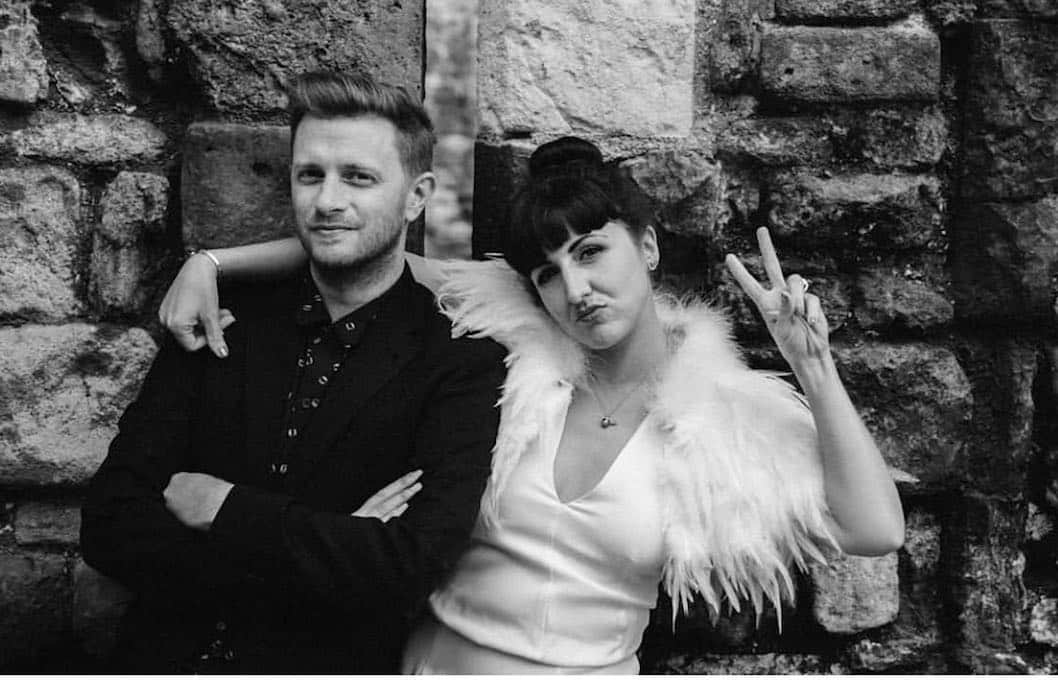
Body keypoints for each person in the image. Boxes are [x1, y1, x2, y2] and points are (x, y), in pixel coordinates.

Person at [158, 136, 905, 674]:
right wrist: (211, 264)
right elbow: (372, 252)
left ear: (645, 248)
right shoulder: (517, 355)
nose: (575, 291)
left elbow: (875, 529)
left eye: (590, 253)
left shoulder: (723, 415)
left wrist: (814, 367)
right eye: (548, 273)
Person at [79, 71, 506, 674]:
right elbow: (110, 523)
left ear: (417, 195)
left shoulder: (459, 357)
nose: (327, 201)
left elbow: (408, 568)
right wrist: (330, 544)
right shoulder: (223, 318)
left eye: (358, 177)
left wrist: (225, 509)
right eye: (310, 175)